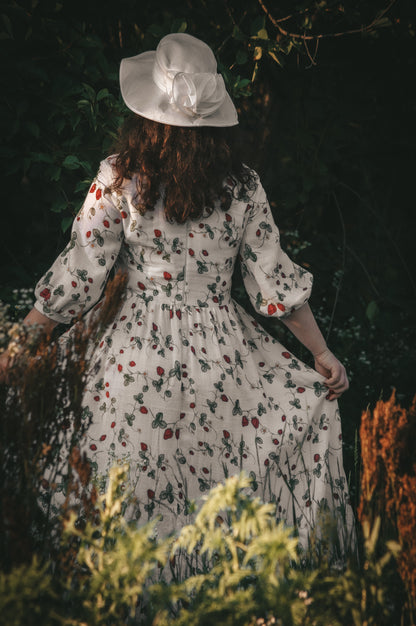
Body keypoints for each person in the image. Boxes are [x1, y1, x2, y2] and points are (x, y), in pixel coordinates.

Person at [0, 33, 355, 556]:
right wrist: (321, 353)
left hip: (131, 353)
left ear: (148, 111)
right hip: (225, 356)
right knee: (219, 484)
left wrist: (19, 346)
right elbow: (274, 283)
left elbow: (79, 276)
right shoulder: (242, 185)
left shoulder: (118, 178)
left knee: (128, 485)